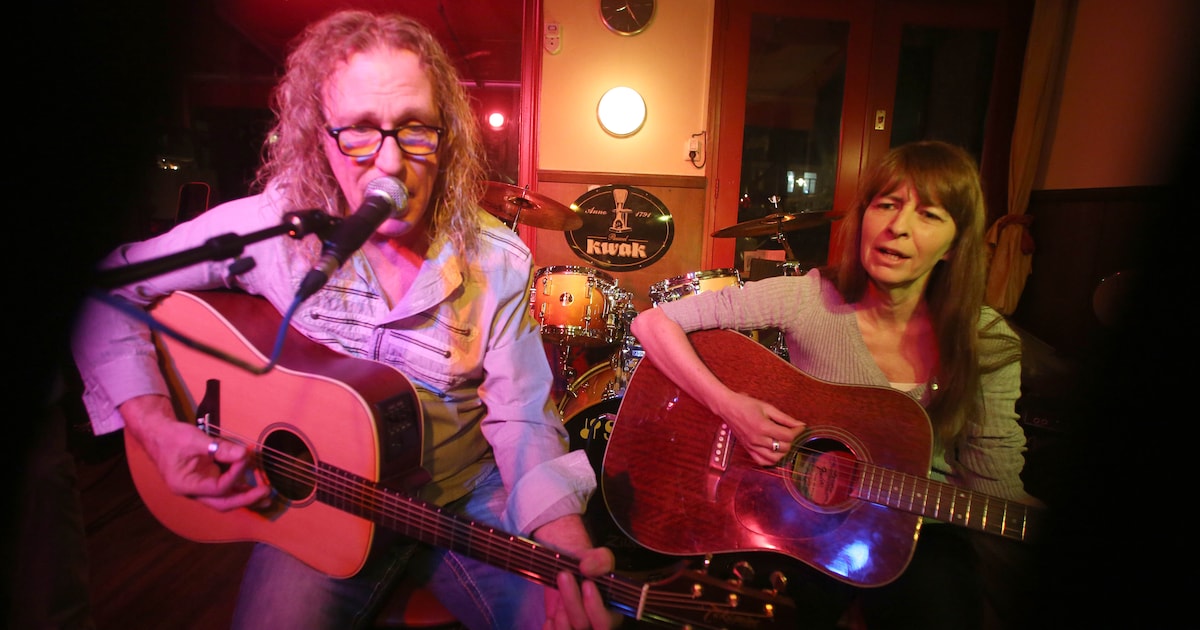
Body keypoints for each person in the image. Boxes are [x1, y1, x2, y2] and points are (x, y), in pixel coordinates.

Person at [70, 10, 615, 630]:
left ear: (448, 135)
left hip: (460, 495)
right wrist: (155, 427)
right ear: (318, 138)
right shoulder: (275, 230)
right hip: (324, 496)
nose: (388, 164)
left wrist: (561, 534)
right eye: (357, 131)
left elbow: (522, 416)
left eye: (414, 130)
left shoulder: (498, 259)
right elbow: (104, 291)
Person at [629, 140, 1042, 629]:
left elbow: (994, 478)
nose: (898, 226)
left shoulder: (984, 338)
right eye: (886, 204)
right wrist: (730, 405)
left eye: (928, 215)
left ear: (955, 244)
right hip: (794, 515)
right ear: (863, 218)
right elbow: (654, 323)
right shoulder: (809, 298)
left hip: (920, 534)